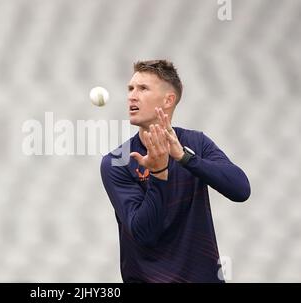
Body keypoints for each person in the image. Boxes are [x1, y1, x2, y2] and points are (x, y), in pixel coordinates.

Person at [100, 60, 251, 283]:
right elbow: (144, 232)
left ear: (168, 100)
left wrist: (184, 158)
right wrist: (159, 173)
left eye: (143, 89)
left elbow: (241, 190)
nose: (132, 96)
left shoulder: (196, 143)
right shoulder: (117, 162)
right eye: (130, 89)